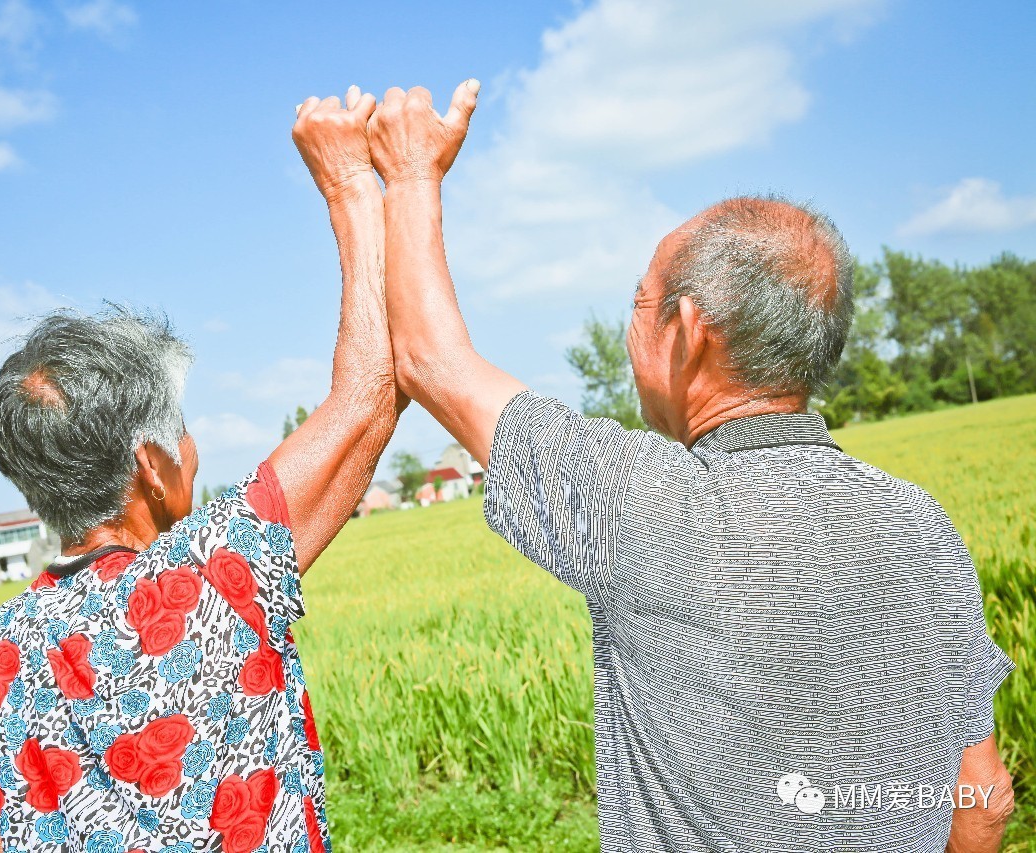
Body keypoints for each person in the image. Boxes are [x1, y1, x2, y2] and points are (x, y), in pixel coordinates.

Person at [367, 81, 1015, 852]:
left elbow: (432, 361)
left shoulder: (646, 502)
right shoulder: (921, 520)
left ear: (687, 329)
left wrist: (407, 176)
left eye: (637, 306)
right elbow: (981, 801)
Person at [0, 86, 396, 852]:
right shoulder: (218, 572)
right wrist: (353, 187)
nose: (195, 449)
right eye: (182, 432)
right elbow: (369, 398)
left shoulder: (2, 645)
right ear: (151, 467)